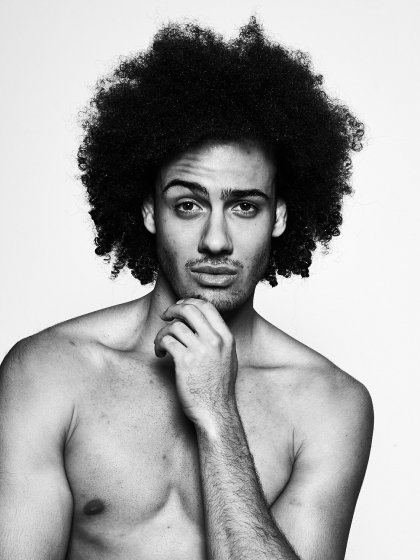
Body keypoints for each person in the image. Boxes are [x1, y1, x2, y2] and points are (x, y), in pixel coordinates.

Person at [0, 17, 373, 560]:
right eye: (188, 205)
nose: (215, 239)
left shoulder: (330, 405)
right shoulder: (48, 373)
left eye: (244, 207)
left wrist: (218, 415)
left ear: (279, 216)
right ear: (150, 211)